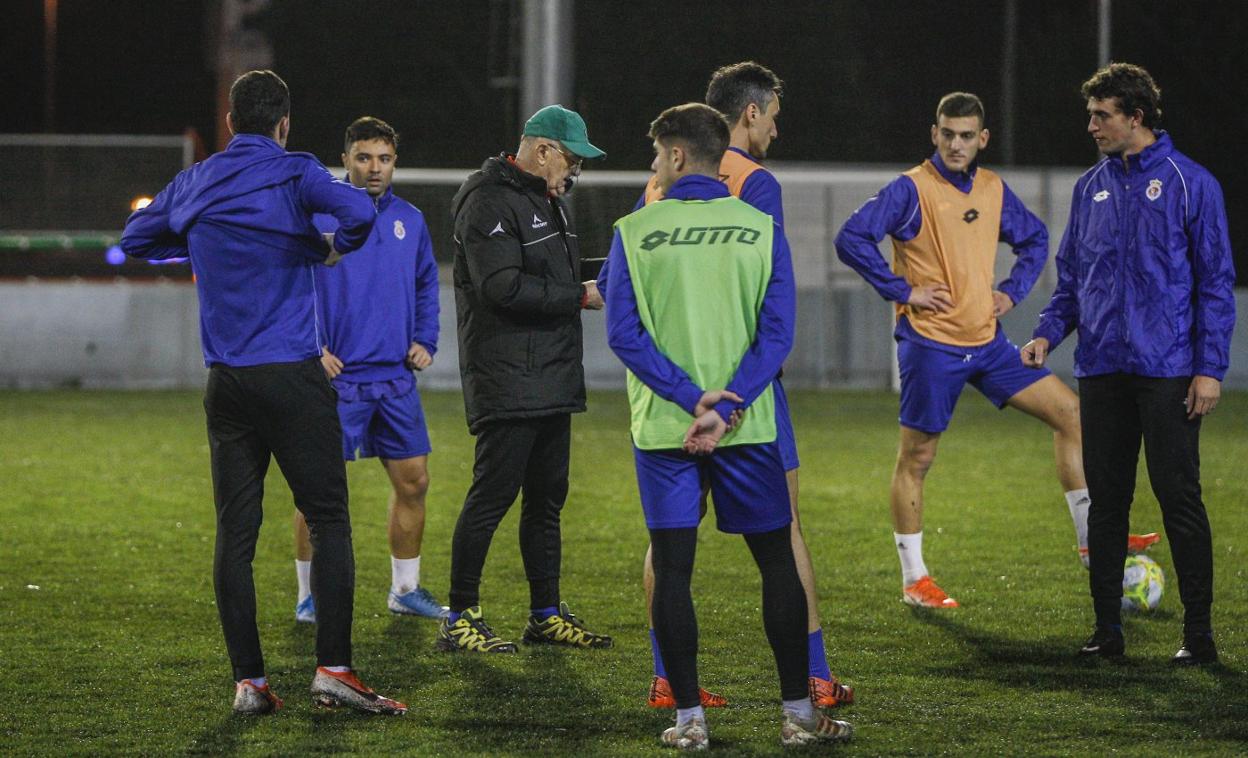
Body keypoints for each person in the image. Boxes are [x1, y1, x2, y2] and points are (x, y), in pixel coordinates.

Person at [120, 70, 405, 714]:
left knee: (235, 534)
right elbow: (359, 209)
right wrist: (321, 245)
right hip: (293, 376)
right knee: (329, 519)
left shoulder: (197, 179)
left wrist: (201, 242)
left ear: (229, 123)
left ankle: (249, 682)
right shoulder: (296, 169)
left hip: (226, 384)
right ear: (283, 124)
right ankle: (333, 670)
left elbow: (136, 238)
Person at [834, 91, 1159, 609]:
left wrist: (1012, 290)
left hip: (988, 344)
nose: (957, 144)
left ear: (982, 139)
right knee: (918, 456)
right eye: (948, 134)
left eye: (967, 135)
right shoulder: (910, 190)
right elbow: (851, 238)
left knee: (1073, 415)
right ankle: (915, 579)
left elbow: (1033, 239)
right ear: (934, 134)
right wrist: (903, 291)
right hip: (930, 347)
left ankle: (1089, 542)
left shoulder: (991, 188)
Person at [602, 60, 853, 710]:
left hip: (667, 401)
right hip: (746, 398)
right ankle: (811, 682)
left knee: (668, 544)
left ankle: (669, 679)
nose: (774, 128)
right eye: (771, 115)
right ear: (747, 115)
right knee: (782, 532)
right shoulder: (756, 187)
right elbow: (767, 301)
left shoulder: (653, 195)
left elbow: (615, 294)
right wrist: (731, 395)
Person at [1022, 63, 1235, 664]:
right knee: (1107, 502)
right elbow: (1072, 281)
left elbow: (1215, 284)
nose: (1091, 126)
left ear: (1135, 117)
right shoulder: (1090, 187)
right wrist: (1045, 334)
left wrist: (1209, 367)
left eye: (1102, 115)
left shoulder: (1191, 183)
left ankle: (1199, 637)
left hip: (1168, 370)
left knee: (1179, 499)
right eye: (1092, 114)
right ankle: (1106, 632)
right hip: (1103, 370)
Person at [440, 105, 611, 653]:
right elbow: (502, 288)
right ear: (542, 151)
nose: (574, 172)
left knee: (546, 500)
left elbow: (554, 273)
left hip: (551, 376)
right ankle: (460, 615)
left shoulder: (543, 200)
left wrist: (621, 268)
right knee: (491, 497)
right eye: (571, 159)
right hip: (509, 378)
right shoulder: (488, 200)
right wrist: (580, 296)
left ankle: (543, 614)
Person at [292, 116, 446, 625]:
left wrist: (425, 338)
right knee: (318, 490)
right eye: (364, 157)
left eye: (383, 158)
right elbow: (292, 284)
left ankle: (405, 589)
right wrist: (312, 345)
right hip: (337, 379)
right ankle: (308, 596)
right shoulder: (319, 215)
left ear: (394, 161)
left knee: (414, 481)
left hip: (395, 378)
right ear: (346, 160)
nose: (374, 167)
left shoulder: (411, 219)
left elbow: (426, 283)